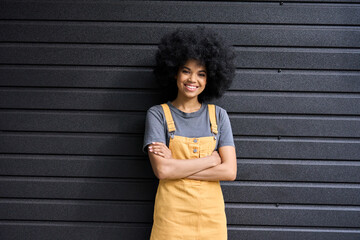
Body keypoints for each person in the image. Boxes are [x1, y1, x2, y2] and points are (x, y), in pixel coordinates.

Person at [143, 26, 237, 240]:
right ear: (174, 72)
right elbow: (163, 171)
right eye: (186, 70)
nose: (192, 79)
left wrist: (176, 166)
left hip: (211, 219)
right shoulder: (158, 114)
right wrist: (211, 160)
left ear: (210, 78)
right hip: (171, 219)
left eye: (201, 74)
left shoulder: (219, 116)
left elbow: (229, 171)